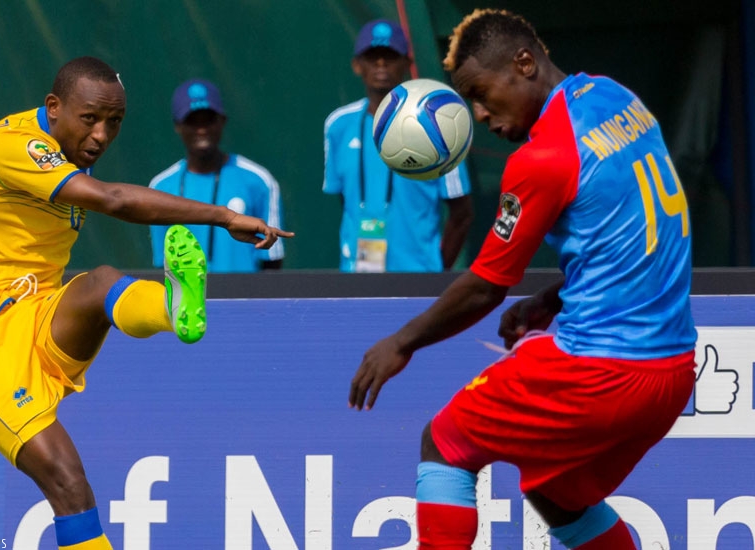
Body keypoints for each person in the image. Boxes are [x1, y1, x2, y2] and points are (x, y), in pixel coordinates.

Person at [348, 9, 696, 550]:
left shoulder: (544, 155)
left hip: (598, 371)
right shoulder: (615, 99)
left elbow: (487, 283)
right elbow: (639, 229)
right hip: (672, 373)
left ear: (525, 63)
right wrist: (554, 297)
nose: (480, 115)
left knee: (444, 444)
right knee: (558, 493)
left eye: (482, 94)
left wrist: (401, 341)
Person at [0, 57, 292, 550]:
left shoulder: (69, 148)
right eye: (90, 119)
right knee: (67, 482)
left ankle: (173, 308)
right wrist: (222, 216)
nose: (102, 135)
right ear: (53, 108)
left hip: (37, 314)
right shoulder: (16, 146)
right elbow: (115, 200)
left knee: (99, 282)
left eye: (115, 122)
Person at [323, 18, 474, 273]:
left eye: (390, 56)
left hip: (417, 278)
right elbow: (345, 199)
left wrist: (434, 274)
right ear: (357, 65)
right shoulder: (338, 125)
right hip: (356, 275)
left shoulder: (438, 125)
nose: (381, 64)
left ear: (407, 63)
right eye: (372, 56)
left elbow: (462, 213)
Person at [149, 78, 286, 272]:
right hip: (185, 301)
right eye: (192, 121)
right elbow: (162, 265)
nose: (202, 129)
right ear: (177, 126)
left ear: (223, 121)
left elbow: (272, 261)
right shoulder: (160, 187)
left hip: (247, 300)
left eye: (208, 119)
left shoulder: (259, 181)